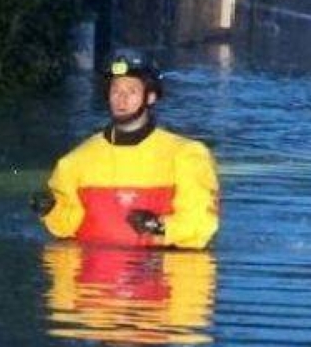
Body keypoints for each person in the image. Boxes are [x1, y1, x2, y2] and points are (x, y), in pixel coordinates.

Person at [32, 54, 220, 248]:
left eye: (131, 91)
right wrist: (51, 209)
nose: (121, 99)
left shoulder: (187, 155)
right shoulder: (75, 160)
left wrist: (160, 228)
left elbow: (201, 224)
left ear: (151, 97)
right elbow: (65, 229)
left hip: (162, 270)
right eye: (116, 90)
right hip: (93, 274)